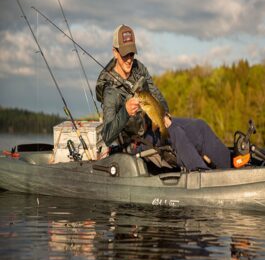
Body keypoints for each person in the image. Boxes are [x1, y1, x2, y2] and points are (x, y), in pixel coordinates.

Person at [96, 24, 231, 170]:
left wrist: (164, 115)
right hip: (136, 144)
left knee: (200, 127)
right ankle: (204, 176)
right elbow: (107, 135)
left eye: (132, 53)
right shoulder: (110, 91)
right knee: (176, 133)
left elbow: (157, 95)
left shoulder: (138, 69)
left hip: (153, 127)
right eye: (124, 55)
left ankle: (232, 169)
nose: (129, 59)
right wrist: (125, 112)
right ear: (115, 53)